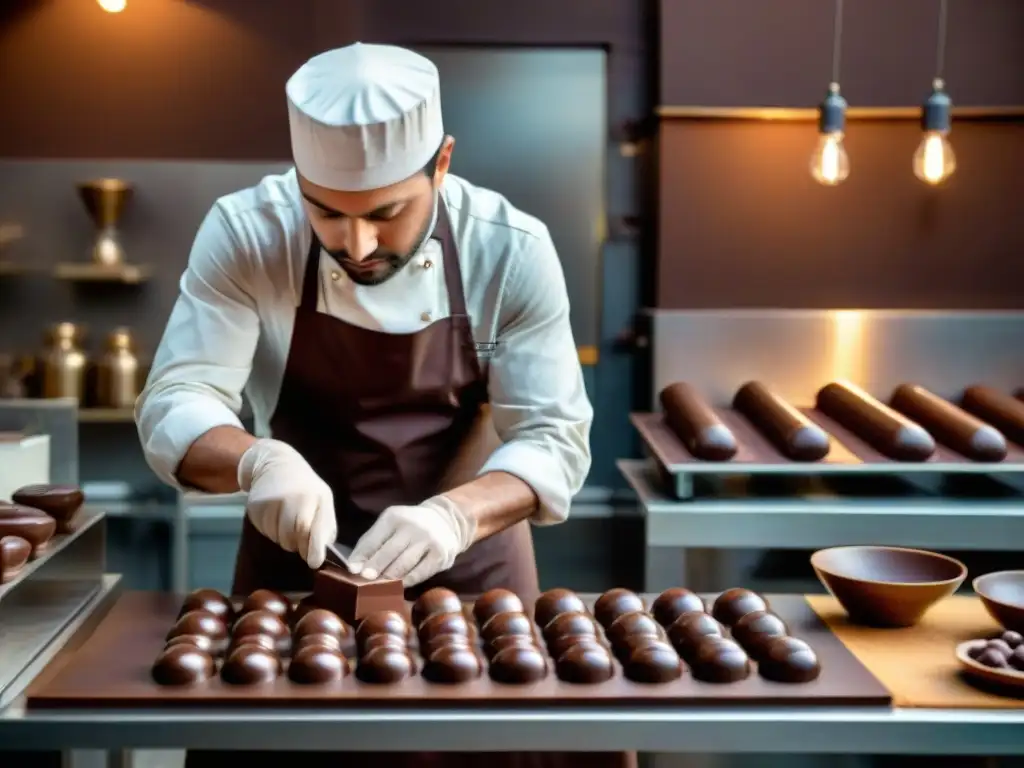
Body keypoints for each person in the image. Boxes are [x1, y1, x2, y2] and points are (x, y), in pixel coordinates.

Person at [136, 43, 635, 768]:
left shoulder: (511, 249)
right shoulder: (249, 233)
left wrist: (455, 515)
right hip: (298, 577)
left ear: (442, 163)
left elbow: (554, 439)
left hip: (471, 585)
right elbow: (177, 399)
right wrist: (257, 461)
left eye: (386, 213)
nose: (357, 244)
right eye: (327, 213)